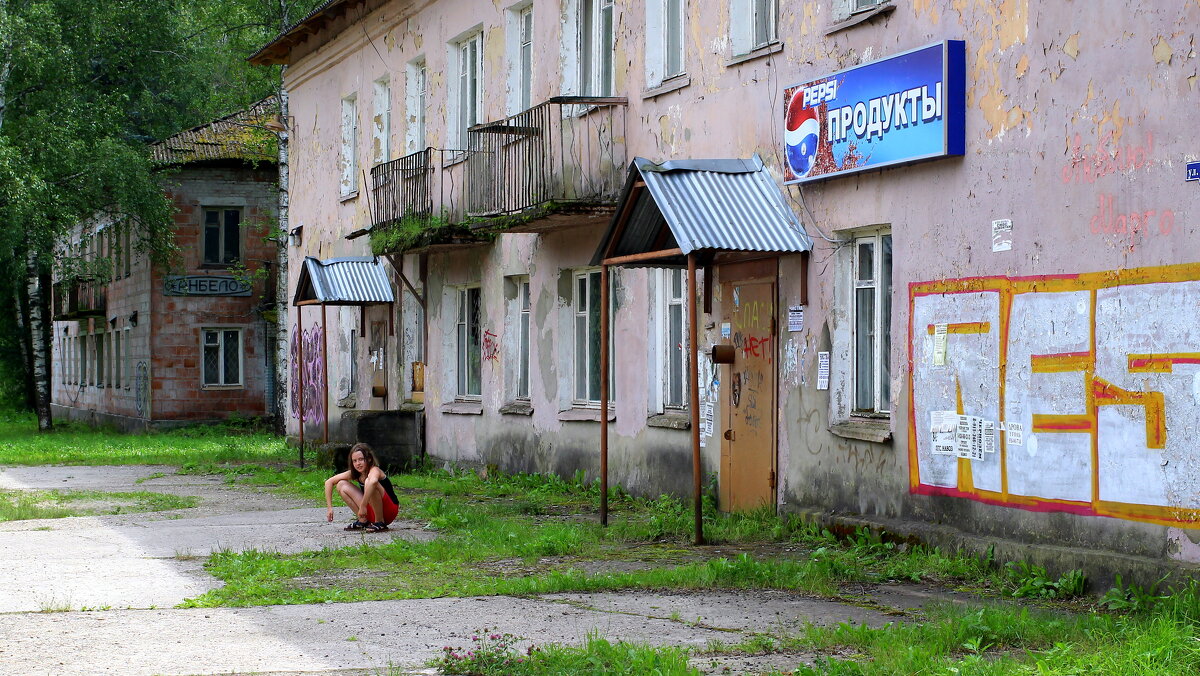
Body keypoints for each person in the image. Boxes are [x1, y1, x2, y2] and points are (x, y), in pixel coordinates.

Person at [324, 443, 399, 533]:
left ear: (369, 459)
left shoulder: (374, 470)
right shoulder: (356, 473)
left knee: (369, 482)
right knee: (341, 484)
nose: (358, 463)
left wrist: (363, 506)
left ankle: (380, 522)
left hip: (389, 511)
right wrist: (329, 508)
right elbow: (329, 482)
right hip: (370, 512)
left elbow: (373, 482)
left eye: (361, 459)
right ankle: (363, 521)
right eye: (354, 461)